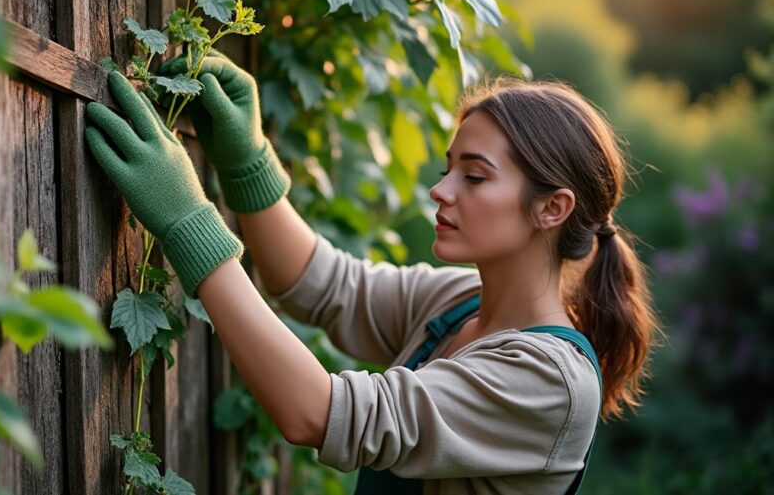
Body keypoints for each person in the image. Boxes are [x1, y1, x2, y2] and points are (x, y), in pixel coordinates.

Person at [83, 51, 662, 494]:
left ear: (551, 208)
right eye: (448, 169)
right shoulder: (459, 301)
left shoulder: (550, 381)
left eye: (474, 176)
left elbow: (317, 414)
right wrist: (247, 160)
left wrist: (189, 222)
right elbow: (322, 284)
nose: (440, 190)